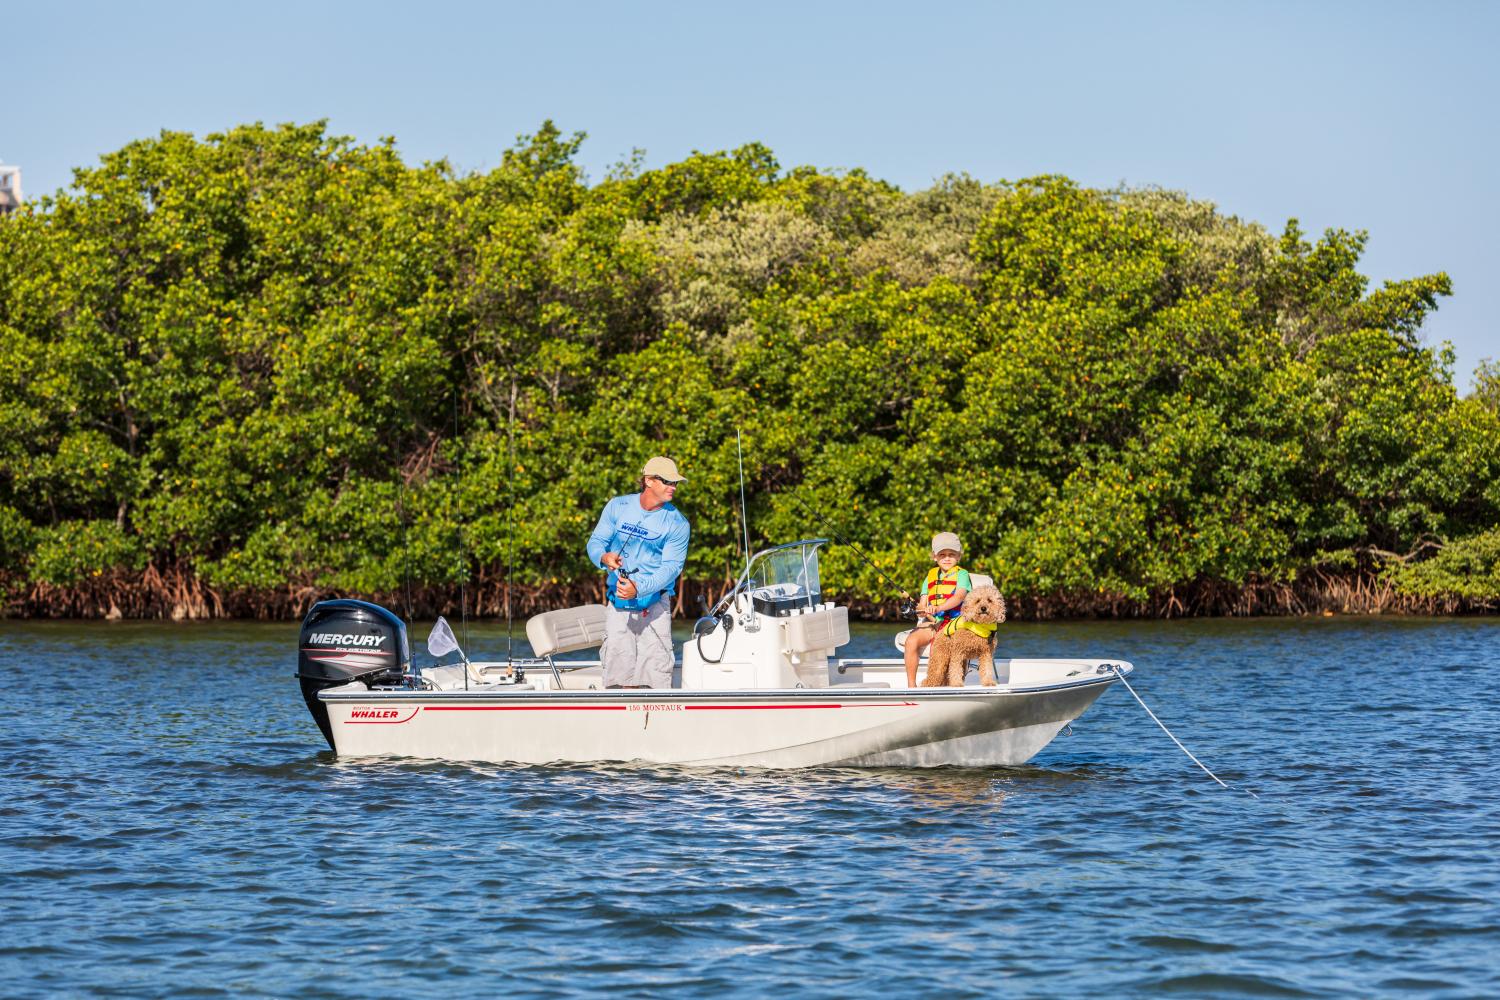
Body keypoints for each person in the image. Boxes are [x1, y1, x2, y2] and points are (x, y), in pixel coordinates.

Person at [586, 456, 692, 689]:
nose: (673, 487)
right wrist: (604, 558)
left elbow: (672, 568)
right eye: (667, 481)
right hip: (618, 606)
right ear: (648, 481)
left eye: (675, 483)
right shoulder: (617, 506)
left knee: (654, 679)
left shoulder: (678, 523)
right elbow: (595, 543)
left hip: (655, 607)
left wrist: (639, 588)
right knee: (616, 679)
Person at [903, 531, 972, 686]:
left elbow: (959, 597)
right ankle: (911, 688)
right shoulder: (930, 576)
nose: (947, 558)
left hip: (956, 624)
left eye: (951, 554)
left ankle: (949, 683)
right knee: (911, 641)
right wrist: (921, 609)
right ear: (934, 556)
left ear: (959, 556)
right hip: (935, 623)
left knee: (945, 647)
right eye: (942, 554)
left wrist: (938, 607)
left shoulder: (962, 575)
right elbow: (923, 603)